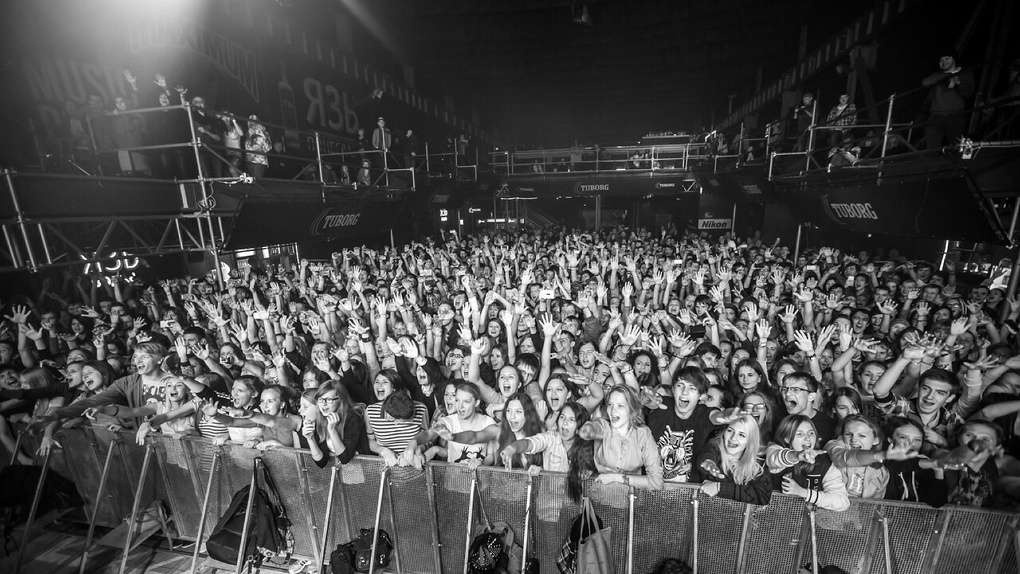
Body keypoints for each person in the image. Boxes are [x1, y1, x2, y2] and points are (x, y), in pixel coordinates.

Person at [578, 385, 663, 490]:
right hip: (598, 500)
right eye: (610, 405)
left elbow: (656, 482)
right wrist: (588, 429)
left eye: (620, 406)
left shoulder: (643, 434)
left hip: (631, 502)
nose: (613, 410)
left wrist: (618, 478)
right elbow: (596, 428)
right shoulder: (605, 426)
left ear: (631, 409)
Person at [766, 414, 849, 511]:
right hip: (771, 520)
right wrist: (797, 455)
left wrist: (803, 493)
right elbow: (774, 458)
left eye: (811, 433)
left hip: (807, 523)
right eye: (799, 434)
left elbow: (842, 502)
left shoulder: (824, 462)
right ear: (786, 438)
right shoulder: (775, 450)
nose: (807, 438)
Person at [695, 414, 771, 504]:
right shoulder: (714, 448)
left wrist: (720, 488)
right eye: (730, 430)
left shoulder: (758, 464)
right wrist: (709, 463)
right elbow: (707, 456)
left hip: (740, 517)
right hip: (706, 514)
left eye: (741, 435)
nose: (733, 438)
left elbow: (763, 496)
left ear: (750, 441)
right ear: (724, 432)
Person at [922, 49, 976, 150]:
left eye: (947, 59)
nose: (943, 62)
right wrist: (949, 76)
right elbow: (925, 82)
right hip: (936, 115)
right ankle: (932, 165)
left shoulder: (965, 73)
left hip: (955, 116)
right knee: (931, 148)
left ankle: (955, 164)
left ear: (953, 59)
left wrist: (958, 82)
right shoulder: (938, 75)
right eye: (941, 60)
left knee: (955, 147)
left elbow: (969, 93)